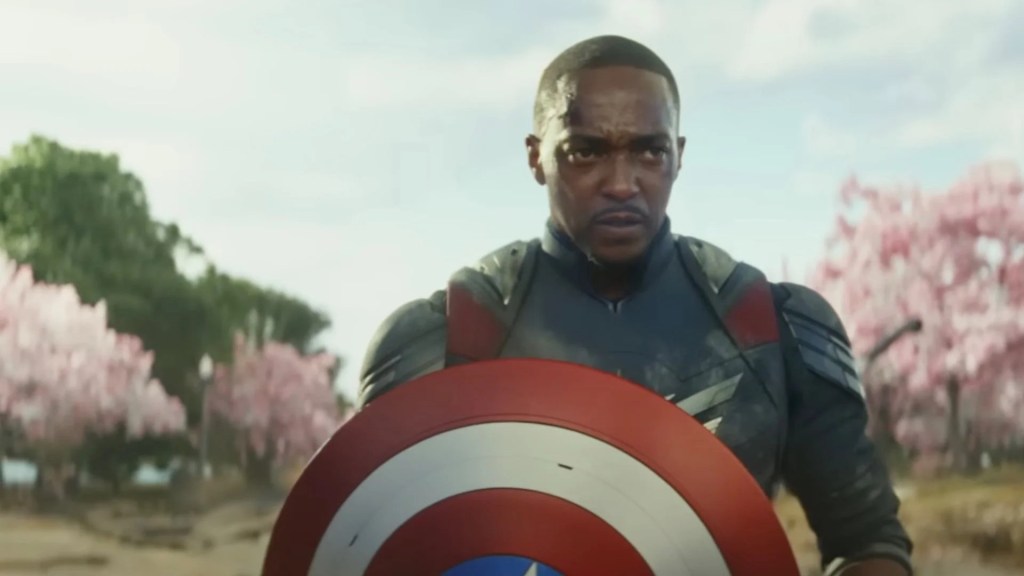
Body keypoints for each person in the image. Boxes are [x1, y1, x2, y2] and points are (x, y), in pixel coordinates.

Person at [357, 35, 913, 576]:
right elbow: (360, 547)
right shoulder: (448, 337)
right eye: (586, 151)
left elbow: (867, 541)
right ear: (536, 156)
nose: (623, 184)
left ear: (679, 155)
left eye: (650, 151)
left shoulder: (770, 325)